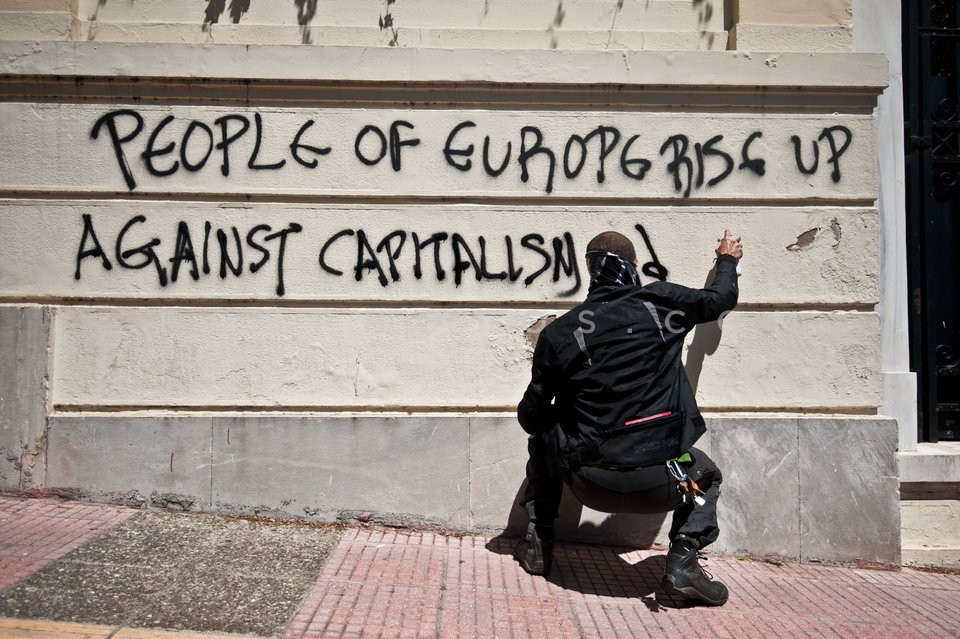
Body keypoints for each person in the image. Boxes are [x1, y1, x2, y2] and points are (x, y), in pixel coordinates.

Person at [513, 228, 743, 606]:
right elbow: (720, 300)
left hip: (588, 481)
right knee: (707, 474)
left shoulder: (561, 332)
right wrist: (727, 260)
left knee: (544, 436)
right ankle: (683, 562)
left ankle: (539, 542)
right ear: (634, 266)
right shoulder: (661, 302)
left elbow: (532, 416)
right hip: (666, 480)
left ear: (591, 271)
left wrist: (566, 416)